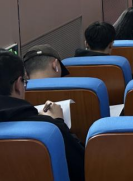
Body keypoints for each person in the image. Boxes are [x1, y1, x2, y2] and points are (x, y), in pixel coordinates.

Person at [0, 51, 85, 181]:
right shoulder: (50, 130)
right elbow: (83, 167)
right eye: (24, 82)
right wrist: (58, 122)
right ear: (18, 85)